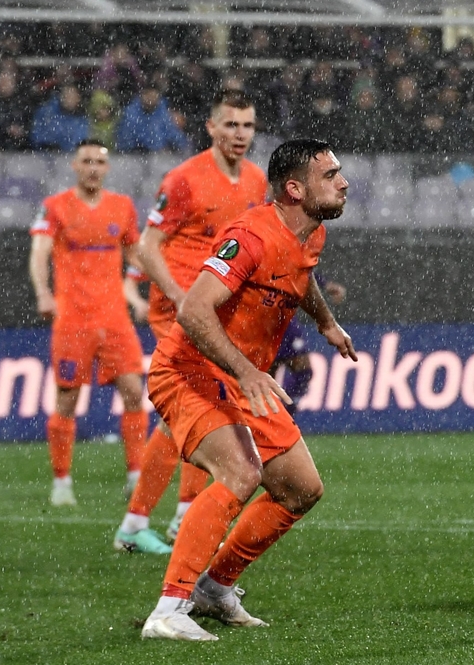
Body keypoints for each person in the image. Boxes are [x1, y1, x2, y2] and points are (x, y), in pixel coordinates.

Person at [140, 139, 355, 641]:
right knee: (240, 472)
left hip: (240, 378)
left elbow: (301, 275)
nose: (343, 183)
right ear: (294, 189)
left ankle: (214, 588)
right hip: (190, 370)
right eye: (330, 175)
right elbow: (194, 310)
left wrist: (325, 321)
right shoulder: (251, 235)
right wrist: (246, 371)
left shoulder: (312, 233)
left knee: (301, 489)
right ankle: (168, 611)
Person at [114, 90, 267, 555]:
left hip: (217, 313)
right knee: (190, 411)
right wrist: (181, 296)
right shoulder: (184, 179)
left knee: (201, 410)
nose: (239, 134)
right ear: (211, 127)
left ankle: (175, 516)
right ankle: (140, 523)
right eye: (230, 125)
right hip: (178, 312)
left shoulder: (255, 179)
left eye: (247, 126)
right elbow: (147, 246)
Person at [28, 138, 150, 507]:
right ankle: (61, 482)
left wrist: (152, 283)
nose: (93, 167)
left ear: (107, 167)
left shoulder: (122, 206)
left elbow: (136, 254)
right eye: (87, 161)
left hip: (114, 318)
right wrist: (43, 292)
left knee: (134, 391)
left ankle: (136, 476)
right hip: (73, 319)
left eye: (99, 161)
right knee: (67, 399)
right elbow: (39, 253)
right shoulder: (56, 207)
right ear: (75, 165)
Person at [269, 276, 346, 414]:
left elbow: (301, 269)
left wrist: (324, 283)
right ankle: (267, 418)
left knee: (304, 372)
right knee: (264, 382)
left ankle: (284, 415)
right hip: (262, 321)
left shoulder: (291, 266)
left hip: (286, 320)